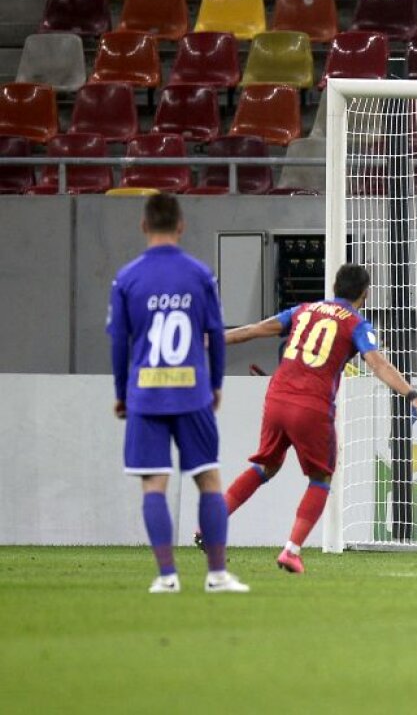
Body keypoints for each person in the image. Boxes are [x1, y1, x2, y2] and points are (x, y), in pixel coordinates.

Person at [207, 263, 417, 573]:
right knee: (321, 478)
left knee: (266, 465)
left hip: (276, 398)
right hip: (311, 406)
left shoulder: (303, 310)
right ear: (365, 294)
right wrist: (415, 397)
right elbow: (379, 365)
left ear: (334, 287)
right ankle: (291, 551)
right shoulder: (356, 323)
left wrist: (210, 339)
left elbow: (252, 331)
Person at [107, 193, 248, 594]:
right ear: (181, 226)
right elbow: (215, 337)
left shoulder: (127, 278)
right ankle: (217, 575)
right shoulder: (199, 275)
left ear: (143, 225)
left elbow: (120, 342)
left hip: (146, 394)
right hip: (191, 391)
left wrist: (122, 392)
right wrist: (216, 384)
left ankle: (167, 577)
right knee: (208, 479)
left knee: (154, 485)